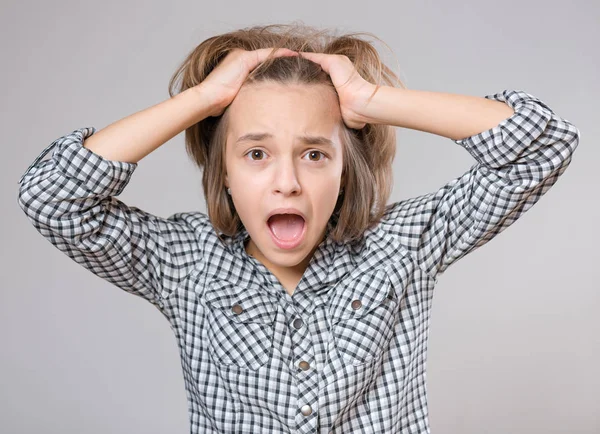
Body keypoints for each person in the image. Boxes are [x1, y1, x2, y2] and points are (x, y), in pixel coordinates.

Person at [16, 23, 580, 433]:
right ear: (225, 172)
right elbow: (52, 198)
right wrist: (204, 99)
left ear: (345, 169)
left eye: (314, 155)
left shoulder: (404, 244)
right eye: (256, 153)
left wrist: (373, 100)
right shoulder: (183, 260)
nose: (286, 182)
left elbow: (542, 147)